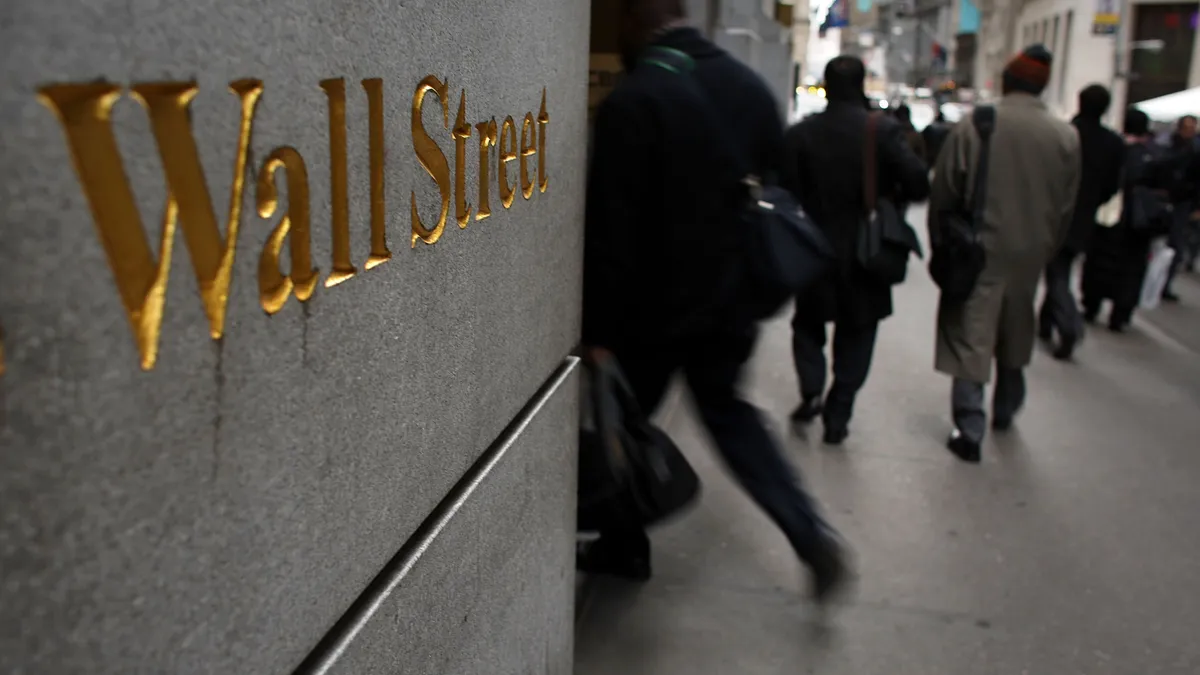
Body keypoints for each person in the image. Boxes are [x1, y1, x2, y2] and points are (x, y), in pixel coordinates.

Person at [579, 0, 850, 602]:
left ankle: (624, 545)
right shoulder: (749, 87)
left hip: (651, 313)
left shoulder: (635, 99)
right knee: (730, 415)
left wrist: (599, 329)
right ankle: (807, 532)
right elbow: (777, 190)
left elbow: (612, 231)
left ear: (634, 21)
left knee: (624, 428)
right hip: (729, 302)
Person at [928, 45, 1081, 463]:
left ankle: (970, 426)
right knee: (1016, 328)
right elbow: (1067, 205)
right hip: (1031, 250)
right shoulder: (1065, 136)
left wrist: (942, 242)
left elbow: (944, 191)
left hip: (980, 248)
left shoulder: (977, 125)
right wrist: (1047, 246)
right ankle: (1008, 407)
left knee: (971, 333)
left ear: (1007, 80)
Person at [782, 57, 929, 445]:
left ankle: (811, 388)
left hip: (812, 247)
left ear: (827, 87)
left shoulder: (802, 134)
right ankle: (839, 412)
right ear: (862, 85)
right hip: (867, 251)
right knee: (858, 331)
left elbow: (782, 191)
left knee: (808, 323)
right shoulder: (882, 132)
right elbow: (917, 182)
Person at [1036, 84, 1124, 360]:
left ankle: (1067, 323)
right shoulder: (1111, 143)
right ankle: (1047, 323)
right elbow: (1112, 184)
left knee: (1057, 272)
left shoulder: (1065, 135)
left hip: (1057, 213)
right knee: (1060, 268)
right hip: (1084, 216)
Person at [1082, 109, 1175, 330]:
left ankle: (1092, 305)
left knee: (1101, 263)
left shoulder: (1117, 149)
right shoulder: (1156, 154)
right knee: (1132, 268)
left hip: (1112, 218)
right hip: (1140, 224)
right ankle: (1121, 313)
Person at [1160, 115, 1200, 302]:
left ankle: (1165, 283)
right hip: (1165, 199)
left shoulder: (1194, 149)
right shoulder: (1169, 146)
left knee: (1176, 245)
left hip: (1183, 203)